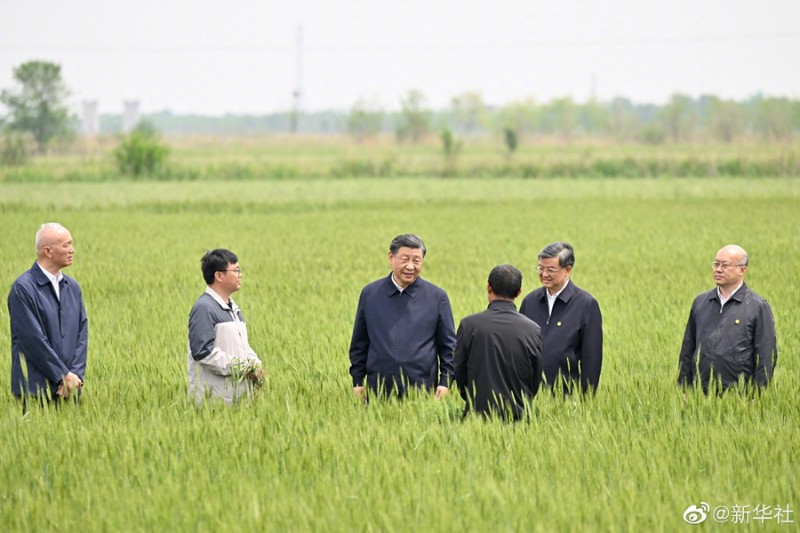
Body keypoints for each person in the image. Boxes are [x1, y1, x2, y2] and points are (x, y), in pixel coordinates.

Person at [349, 234, 456, 399]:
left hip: (422, 392)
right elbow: (359, 342)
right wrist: (357, 381)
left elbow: (448, 346)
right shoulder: (370, 294)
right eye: (405, 259)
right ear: (390, 257)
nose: (410, 266)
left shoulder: (436, 297)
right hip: (378, 390)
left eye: (417, 261)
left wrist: (445, 382)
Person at [678, 244, 777, 394]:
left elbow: (766, 357)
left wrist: (757, 396)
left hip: (738, 395)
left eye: (725, 265)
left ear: (742, 270)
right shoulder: (701, 302)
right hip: (700, 394)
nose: (718, 269)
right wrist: (684, 389)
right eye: (716, 264)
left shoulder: (757, 307)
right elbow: (687, 348)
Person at [8, 223, 88, 406]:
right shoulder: (23, 288)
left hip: (70, 389)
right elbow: (32, 340)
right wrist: (62, 376)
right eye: (66, 245)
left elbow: (81, 335)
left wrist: (74, 377)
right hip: (34, 391)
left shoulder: (72, 288)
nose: (72, 250)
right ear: (48, 251)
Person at [454, 264, 542, 421]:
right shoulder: (532, 329)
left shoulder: (469, 325)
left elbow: (459, 372)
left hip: (476, 416)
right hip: (519, 418)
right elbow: (534, 378)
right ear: (519, 292)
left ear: (489, 287)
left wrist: (473, 397)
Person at [519, 242, 603, 395]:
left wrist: (587, 400)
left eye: (550, 270)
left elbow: (591, 359)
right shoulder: (529, 302)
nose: (544, 274)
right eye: (540, 268)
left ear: (567, 270)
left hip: (566, 396)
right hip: (529, 395)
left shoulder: (586, 304)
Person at [187, 249, 263, 405]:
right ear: (219, 275)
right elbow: (203, 353)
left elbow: (243, 347)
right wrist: (245, 368)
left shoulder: (234, 308)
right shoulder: (204, 308)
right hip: (214, 402)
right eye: (236, 270)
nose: (240, 274)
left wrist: (256, 365)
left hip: (238, 400)